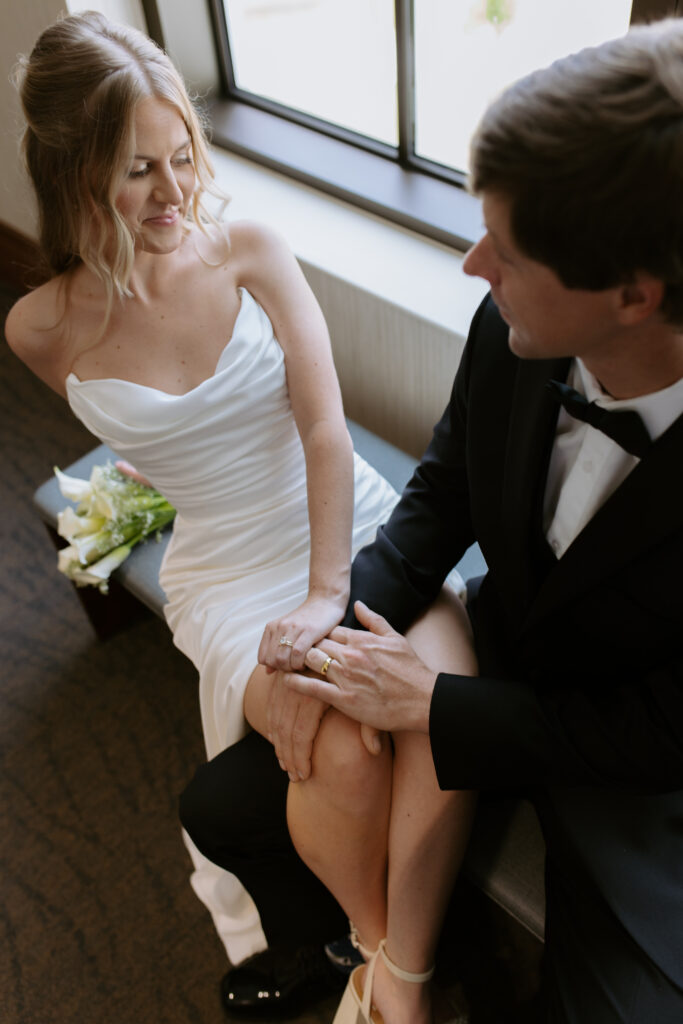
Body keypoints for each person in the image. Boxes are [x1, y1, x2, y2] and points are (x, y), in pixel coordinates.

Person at [183, 17, 683, 1024]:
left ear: (633, 294)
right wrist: (330, 631)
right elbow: (441, 489)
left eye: (503, 246)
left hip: (632, 764)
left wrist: (440, 711)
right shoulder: (515, 321)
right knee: (224, 806)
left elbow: (661, 732)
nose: (469, 264)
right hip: (498, 642)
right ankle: (359, 951)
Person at [6, 12, 479, 1024]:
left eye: (183, 156)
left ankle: (392, 977)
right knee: (342, 750)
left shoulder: (248, 245)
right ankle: (377, 944)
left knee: (437, 704)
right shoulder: (37, 328)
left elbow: (320, 425)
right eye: (138, 171)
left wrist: (324, 594)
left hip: (342, 521)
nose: (175, 193)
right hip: (224, 574)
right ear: (71, 174)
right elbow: (153, 444)